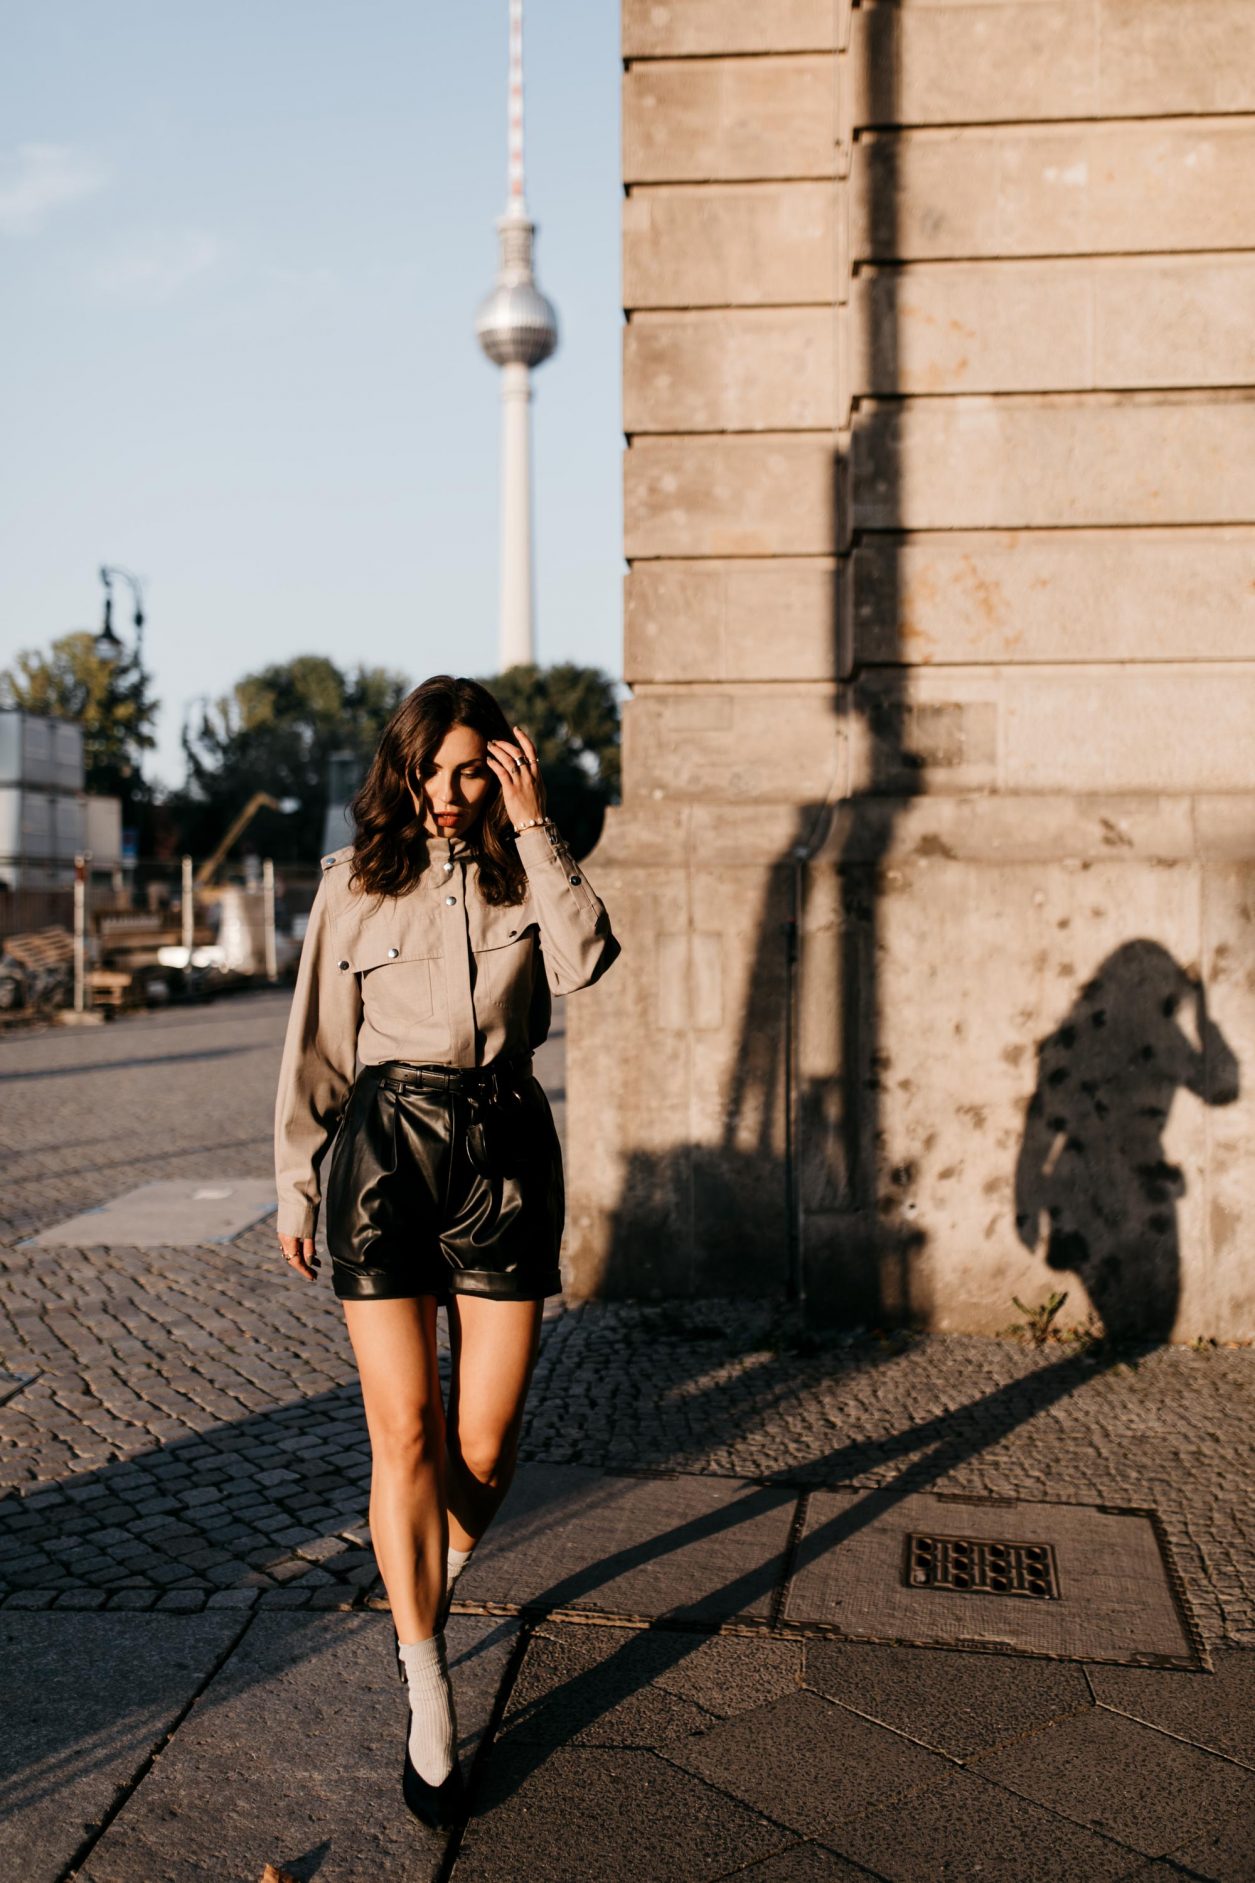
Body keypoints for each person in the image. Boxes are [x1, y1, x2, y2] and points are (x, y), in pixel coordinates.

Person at [273, 674, 619, 1827]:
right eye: (432, 769)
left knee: (486, 1432)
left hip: (505, 1150)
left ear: (501, 767)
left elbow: (584, 962)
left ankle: (428, 1565)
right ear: (401, 769)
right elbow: (316, 1046)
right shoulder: (352, 883)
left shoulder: (529, 865)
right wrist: (292, 1177)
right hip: (384, 1156)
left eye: (472, 768)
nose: (447, 792)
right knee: (405, 1430)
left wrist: (532, 819)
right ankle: (426, 1676)